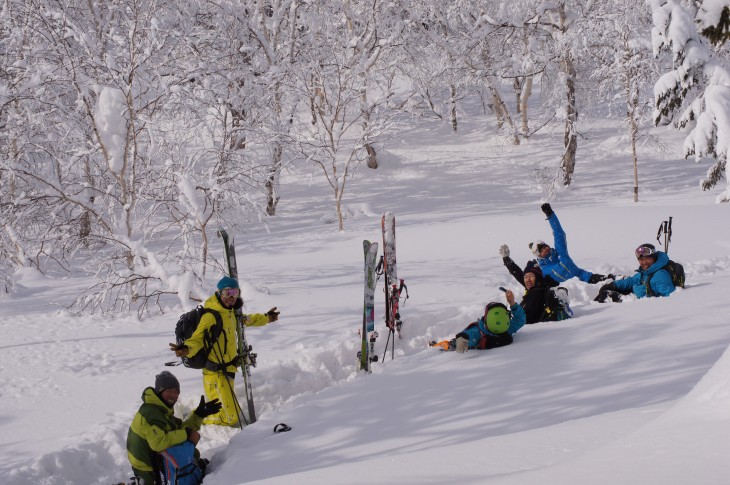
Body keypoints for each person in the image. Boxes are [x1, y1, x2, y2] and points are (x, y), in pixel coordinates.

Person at [169, 276, 279, 427]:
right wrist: (187, 349)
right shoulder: (210, 316)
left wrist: (266, 318)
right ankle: (191, 419)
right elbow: (198, 338)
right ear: (219, 293)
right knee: (231, 417)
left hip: (228, 370)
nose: (231, 297)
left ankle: (196, 415)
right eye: (227, 293)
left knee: (222, 409)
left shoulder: (232, 313)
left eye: (235, 293)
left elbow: (248, 320)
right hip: (215, 375)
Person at [126, 371, 222, 485]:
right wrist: (187, 435)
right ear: (160, 391)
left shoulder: (161, 408)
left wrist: (199, 414)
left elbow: (178, 430)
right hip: (147, 467)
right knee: (188, 449)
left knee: (191, 451)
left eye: (176, 391)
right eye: (169, 390)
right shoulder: (151, 413)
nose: (173, 395)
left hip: (155, 457)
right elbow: (158, 443)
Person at [530, 203, 612, 285]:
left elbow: (559, 234)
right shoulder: (543, 270)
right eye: (541, 250)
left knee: (613, 281)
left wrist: (550, 215)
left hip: (586, 278)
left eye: (545, 246)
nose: (545, 249)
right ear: (539, 255)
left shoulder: (559, 253)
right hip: (571, 292)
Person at [430, 289, 526, 352]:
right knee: (452, 344)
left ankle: (437, 346)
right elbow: (520, 319)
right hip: (463, 342)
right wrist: (512, 303)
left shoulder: (479, 332)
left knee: (450, 344)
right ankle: (437, 346)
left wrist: (464, 338)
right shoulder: (507, 329)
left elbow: (471, 336)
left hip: (461, 343)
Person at [499, 247, 571, 324]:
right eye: (526, 277)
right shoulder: (539, 287)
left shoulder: (535, 294)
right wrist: (507, 260)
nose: (528, 279)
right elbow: (519, 274)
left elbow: (525, 320)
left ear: (537, 278)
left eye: (531, 276)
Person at [594, 243, 676, 303]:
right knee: (606, 293)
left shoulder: (661, 275)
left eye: (647, 259)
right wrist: (614, 285)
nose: (644, 263)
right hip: (636, 301)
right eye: (641, 260)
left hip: (644, 308)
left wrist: (644, 296)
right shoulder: (646, 272)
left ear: (654, 259)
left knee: (606, 296)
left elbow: (669, 300)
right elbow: (633, 280)